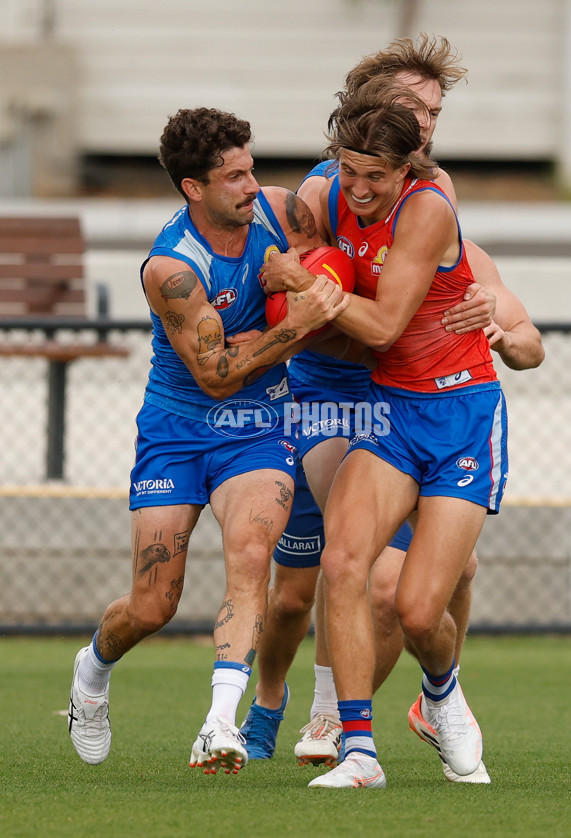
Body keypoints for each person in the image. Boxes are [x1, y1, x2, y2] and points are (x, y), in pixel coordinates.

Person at [241, 34, 543, 784]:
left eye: (434, 111)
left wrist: (502, 331)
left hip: (453, 408)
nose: (428, 120)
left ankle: (439, 693)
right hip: (349, 400)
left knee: (416, 601)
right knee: (332, 575)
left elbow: (386, 324)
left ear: (405, 162)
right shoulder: (329, 191)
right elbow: (290, 290)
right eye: (414, 105)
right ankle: (351, 745)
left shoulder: (429, 202)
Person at [66, 106, 349, 774]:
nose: (254, 186)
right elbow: (216, 376)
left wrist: (304, 289)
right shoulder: (171, 270)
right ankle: (91, 670)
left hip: (261, 425)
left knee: (252, 555)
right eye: (234, 177)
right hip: (178, 428)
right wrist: (293, 326)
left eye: (251, 168)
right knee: (153, 604)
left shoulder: (282, 213)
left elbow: (335, 276)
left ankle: (219, 724)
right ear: (193, 188)